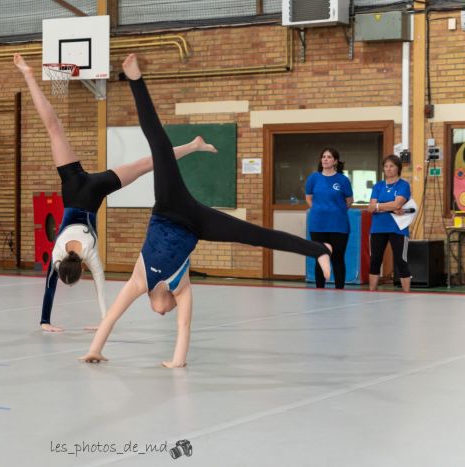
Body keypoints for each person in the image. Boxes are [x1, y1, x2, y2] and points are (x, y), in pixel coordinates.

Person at [79, 54, 332, 368]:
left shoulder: (138, 281)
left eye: (161, 311)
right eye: (167, 312)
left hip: (169, 207)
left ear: (152, 301)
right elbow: (184, 328)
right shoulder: (181, 288)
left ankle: (135, 79)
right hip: (196, 223)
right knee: (254, 236)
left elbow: (113, 316)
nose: (163, 312)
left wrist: (95, 348)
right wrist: (176, 361)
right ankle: (319, 249)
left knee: (159, 146)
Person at [13, 53, 218, 333]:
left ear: (81, 269)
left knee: (148, 164)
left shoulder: (91, 255)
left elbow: (101, 289)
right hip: (73, 185)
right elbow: (50, 286)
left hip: (95, 193)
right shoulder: (58, 252)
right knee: (54, 129)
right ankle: (27, 74)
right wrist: (44, 320)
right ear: (61, 264)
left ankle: (193, 146)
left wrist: (102, 322)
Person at [305, 147, 353, 289]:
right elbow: (309, 198)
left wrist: (336, 211)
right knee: (321, 258)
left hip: (338, 224)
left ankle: (340, 289)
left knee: (337, 258)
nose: (325, 159)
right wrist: (319, 210)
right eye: (324, 156)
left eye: (329, 157)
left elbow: (349, 200)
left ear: (335, 161)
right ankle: (320, 289)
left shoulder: (343, 180)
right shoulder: (313, 178)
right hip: (318, 224)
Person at [367, 154, 412, 292]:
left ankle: (407, 292)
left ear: (398, 168)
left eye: (392, 166)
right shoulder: (378, 186)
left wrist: (379, 207)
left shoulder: (403, 185)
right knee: (375, 260)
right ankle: (371, 291)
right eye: (386, 166)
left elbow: (398, 204)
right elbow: (370, 208)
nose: (388, 169)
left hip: (398, 227)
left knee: (400, 260)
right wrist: (390, 208)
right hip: (378, 228)